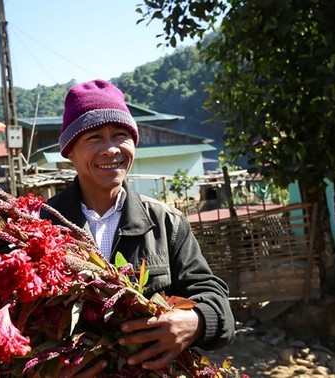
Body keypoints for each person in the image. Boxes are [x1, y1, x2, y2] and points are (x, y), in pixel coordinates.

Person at [41, 79, 235, 376]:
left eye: (121, 135)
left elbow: (214, 298)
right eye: (93, 137)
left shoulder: (166, 223)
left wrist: (196, 322)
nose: (111, 149)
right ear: (69, 151)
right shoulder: (39, 226)